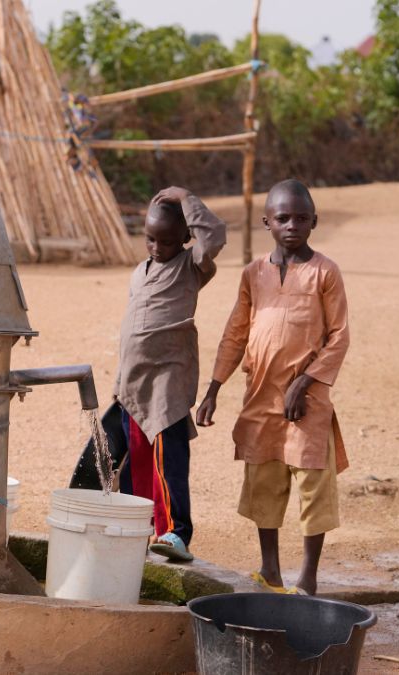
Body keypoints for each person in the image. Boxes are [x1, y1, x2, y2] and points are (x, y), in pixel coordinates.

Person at [196, 179, 350, 596]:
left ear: (314, 221)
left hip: (308, 400)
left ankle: (309, 578)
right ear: (267, 222)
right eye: (283, 218)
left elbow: (339, 336)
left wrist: (307, 380)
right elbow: (235, 332)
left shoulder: (324, 272)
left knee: (313, 483)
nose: (292, 225)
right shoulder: (253, 274)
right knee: (264, 479)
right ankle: (270, 570)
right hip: (260, 395)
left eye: (301, 218)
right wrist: (213, 388)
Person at [69, 186, 226, 563]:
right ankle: (143, 527)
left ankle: (176, 532)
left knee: (168, 460)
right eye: (150, 239)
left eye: (167, 241)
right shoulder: (140, 271)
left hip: (167, 384)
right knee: (138, 461)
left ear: (186, 239)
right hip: (133, 385)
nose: (157, 248)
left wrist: (188, 197)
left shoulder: (192, 268)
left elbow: (215, 236)